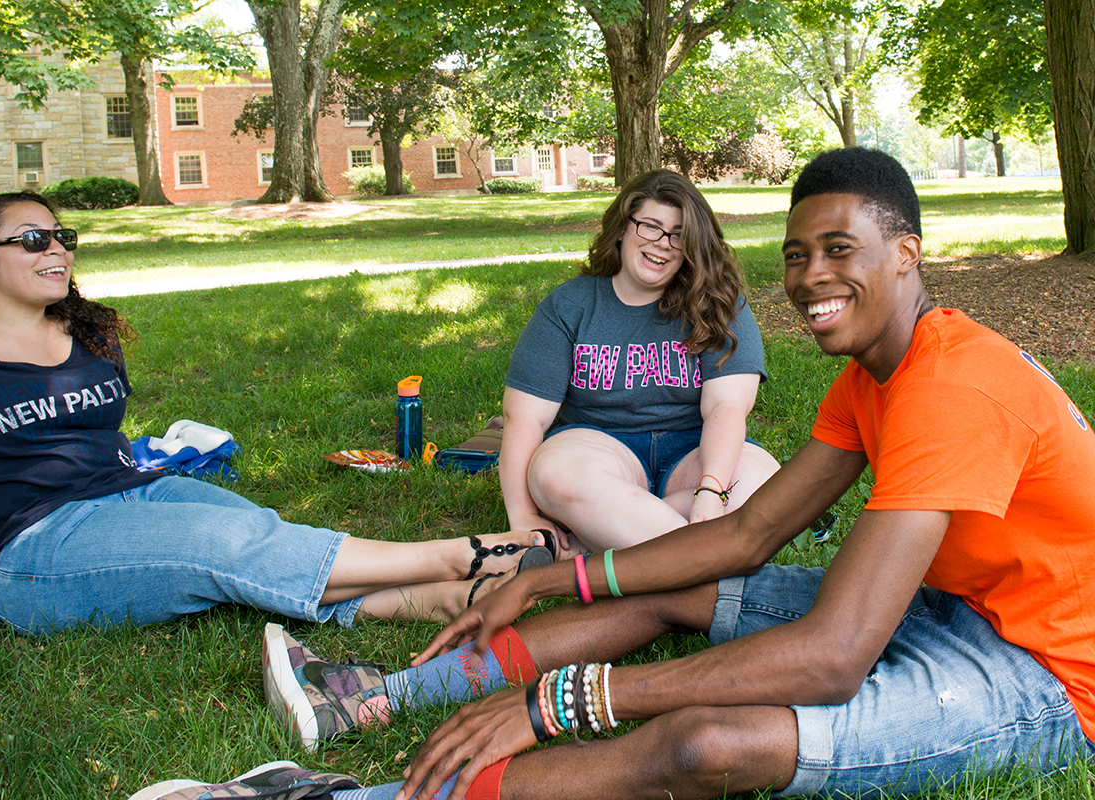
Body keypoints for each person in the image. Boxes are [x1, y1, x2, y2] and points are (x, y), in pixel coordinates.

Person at [252, 148, 1095, 800]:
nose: (811, 278)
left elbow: (834, 656)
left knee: (704, 743)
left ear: (907, 253)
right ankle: (370, 696)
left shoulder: (954, 386)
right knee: (654, 586)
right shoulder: (872, 376)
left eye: (840, 249)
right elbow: (746, 534)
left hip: (1048, 670)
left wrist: (563, 703)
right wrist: (555, 581)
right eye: (797, 255)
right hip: (951, 608)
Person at [0, 192, 554, 636]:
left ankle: (431, 603)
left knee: (259, 532)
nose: (57, 250)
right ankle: (455, 560)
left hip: (133, 493)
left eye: (63, 236)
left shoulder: (88, 333)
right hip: (33, 547)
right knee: (223, 547)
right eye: (33, 239)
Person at [501, 170, 779, 553]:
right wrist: (523, 517)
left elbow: (727, 407)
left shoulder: (720, 303)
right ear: (621, 228)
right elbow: (526, 417)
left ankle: (599, 542)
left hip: (695, 450)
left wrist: (711, 492)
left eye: (680, 234)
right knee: (555, 476)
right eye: (650, 227)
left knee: (764, 484)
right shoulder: (570, 305)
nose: (663, 244)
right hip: (598, 446)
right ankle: (704, 554)